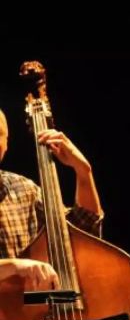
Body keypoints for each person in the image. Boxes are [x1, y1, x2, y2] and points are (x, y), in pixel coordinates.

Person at [0, 107, 103, 290]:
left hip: (30, 314)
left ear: (6, 143)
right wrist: (13, 266)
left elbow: (83, 231)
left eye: (0, 134)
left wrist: (83, 172)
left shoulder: (25, 190)